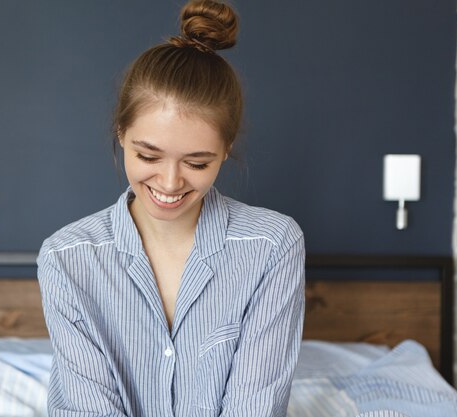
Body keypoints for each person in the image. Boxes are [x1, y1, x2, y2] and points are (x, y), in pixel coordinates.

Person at [37, 1, 305, 416]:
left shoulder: (272, 247)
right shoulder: (67, 259)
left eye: (197, 163)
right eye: (149, 156)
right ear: (121, 133)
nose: (169, 182)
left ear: (225, 151)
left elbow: (253, 405)